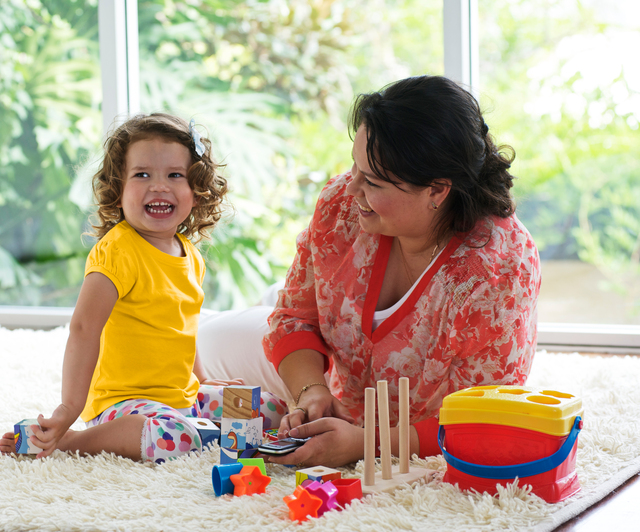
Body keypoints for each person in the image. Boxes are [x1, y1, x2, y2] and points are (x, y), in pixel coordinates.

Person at [229, 75, 539, 469]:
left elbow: (484, 416)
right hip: (297, 352)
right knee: (202, 346)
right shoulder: (342, 204)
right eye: (355, 166)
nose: (350, 187)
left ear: (437, 191)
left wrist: (366, 444)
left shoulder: (498, 272)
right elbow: (293, 318)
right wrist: (310, 391)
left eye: (373, 181)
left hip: (391, 426)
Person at [0, 113, 286, 464]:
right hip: (124, 402)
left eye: (175, 175)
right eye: (142, 174)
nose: (159, 186)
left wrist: (206, 381)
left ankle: (201, 428)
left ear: (196, 191)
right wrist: (68, 408)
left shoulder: (191, 256)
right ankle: (75, 441)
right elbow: (84, 328)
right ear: (118, 189)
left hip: (181, 397)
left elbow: (183, 327)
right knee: (173, 436)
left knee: (269, 409)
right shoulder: (117, 251)